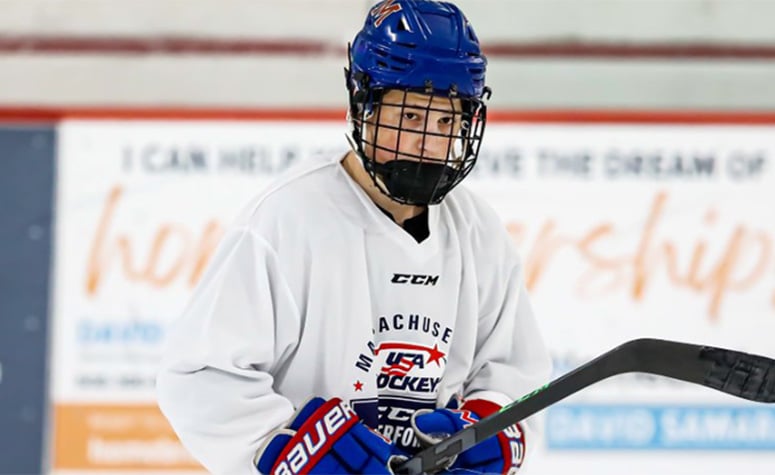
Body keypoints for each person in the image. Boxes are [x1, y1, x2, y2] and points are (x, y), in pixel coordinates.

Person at [156, 1, 553, 474]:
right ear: (364, 108)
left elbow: (513, 372)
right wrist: (292, 450)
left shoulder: (477, 232)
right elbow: (200, 378)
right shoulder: (288, 220)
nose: (428, 143)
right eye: (411, 118)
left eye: (446, 121)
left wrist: (488, 431)